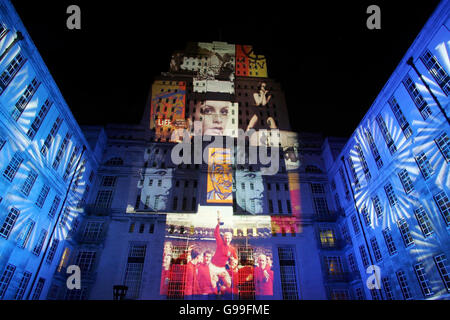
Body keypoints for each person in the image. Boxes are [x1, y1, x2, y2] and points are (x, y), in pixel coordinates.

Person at [210, 212, 237, 292]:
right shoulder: (220, 242)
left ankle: (220, 290)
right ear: (224, 238)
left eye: (228, 238)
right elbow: (216, 233)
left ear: (231, 238)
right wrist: (218, 224)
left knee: (228, 283)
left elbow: (236, 259)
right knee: (213, 283)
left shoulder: (232, 249)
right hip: (213, 267)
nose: (227, 239)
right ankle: (215, 292)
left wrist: (233, 266)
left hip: (222, 268)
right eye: (225, 237)